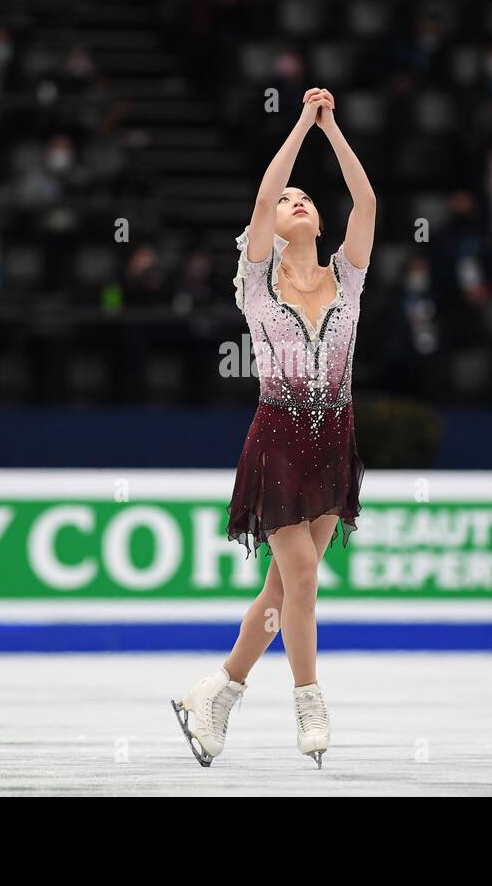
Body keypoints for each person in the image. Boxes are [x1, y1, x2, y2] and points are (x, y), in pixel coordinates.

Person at [171, 88, 376, 769]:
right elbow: (260, 204)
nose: (295, 202)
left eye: (305, 199)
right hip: (281, 440)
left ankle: (218, 692)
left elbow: (368, 203)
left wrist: (333, 128)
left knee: (282, 590)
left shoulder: (348, 276)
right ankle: (309, 699)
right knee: (305, 577)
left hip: (333, 438)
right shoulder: (256, 282)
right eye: (288, 198)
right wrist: (299, 124)